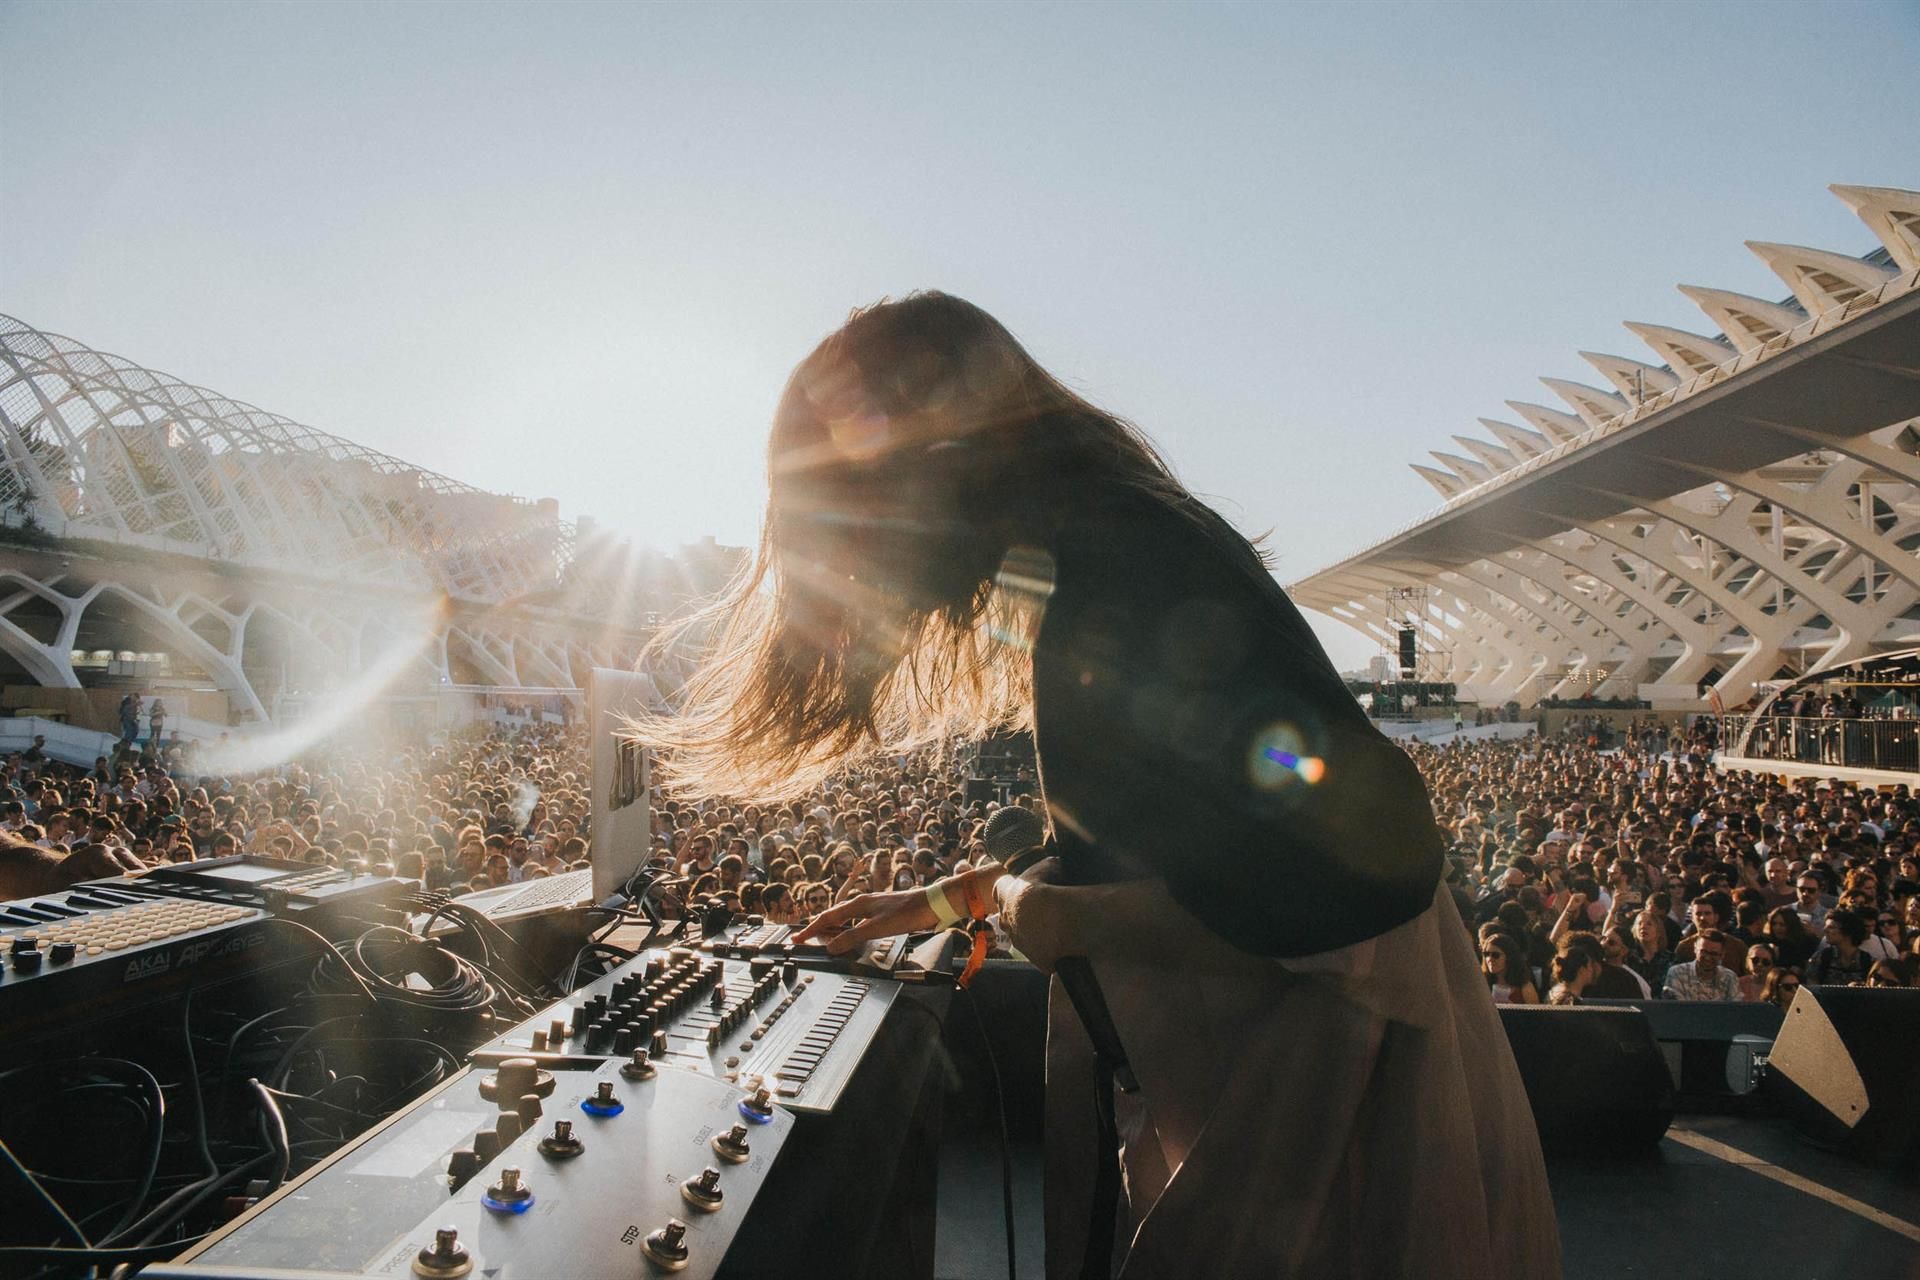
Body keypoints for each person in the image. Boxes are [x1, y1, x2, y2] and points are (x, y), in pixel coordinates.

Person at [635, 294, 1560, 1278]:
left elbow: (1357, 872)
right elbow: (1153, 828)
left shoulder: (1109, 565)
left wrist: (1050, 914)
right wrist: (962, 896)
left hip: (1342, 1097)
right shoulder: (1099, 541)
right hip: (1301, 1074)